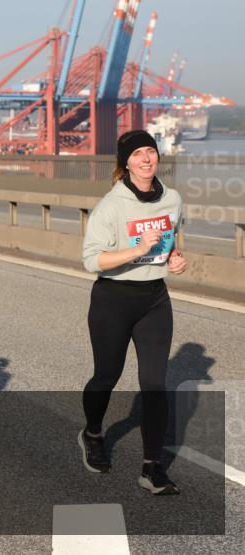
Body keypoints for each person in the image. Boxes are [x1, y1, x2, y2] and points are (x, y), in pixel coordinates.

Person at [79, 129, 186, 495]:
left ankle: (151, 467)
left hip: (155, 299)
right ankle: (92, 433)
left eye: (151, 152)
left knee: (155, 385)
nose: (146, 158)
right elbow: (92, 259)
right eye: (138, 153)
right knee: (106, 376)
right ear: (125, 162)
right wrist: (136, 249)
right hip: (113, 298)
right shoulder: (112, 205)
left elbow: (173, 235)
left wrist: (174, 256)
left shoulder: (172, 199)